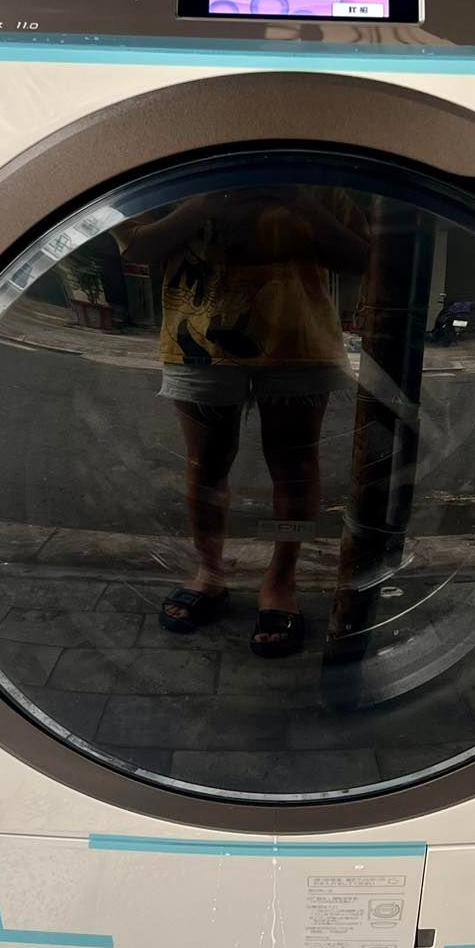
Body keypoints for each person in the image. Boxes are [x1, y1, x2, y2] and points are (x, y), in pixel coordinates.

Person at [115, 185, 368, 657]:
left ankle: (282, 580)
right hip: (197, 340)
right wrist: (205, 201)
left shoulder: (315, 177)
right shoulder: (173, 171)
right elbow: (137, 247)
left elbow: (358, 258)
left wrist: (299, 198)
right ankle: (209, 572)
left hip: (299, 342)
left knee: (294, 474)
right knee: (205, 467)